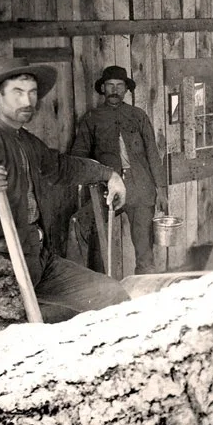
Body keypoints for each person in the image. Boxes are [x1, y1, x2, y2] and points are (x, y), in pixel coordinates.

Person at [0, 58, 131, 322]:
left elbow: (61, 167)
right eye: (18, 92)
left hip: (38, 259)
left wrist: (108, 174)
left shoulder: (28, 142)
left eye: (32, 93)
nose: (27, 101)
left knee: (111, 294)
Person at [71, 65, 168, 275]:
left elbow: (153, 152)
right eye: (110, 85)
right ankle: (99, 284)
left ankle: (146, 287)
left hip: (141, 188)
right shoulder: (92, 118)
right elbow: (78, 156)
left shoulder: (138, 116)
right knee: (86, 226)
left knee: (144, 250)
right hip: (108, 189)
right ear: (103, 88)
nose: (114, 90)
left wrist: (161, 189)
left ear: (126, 89)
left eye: (119, 86)